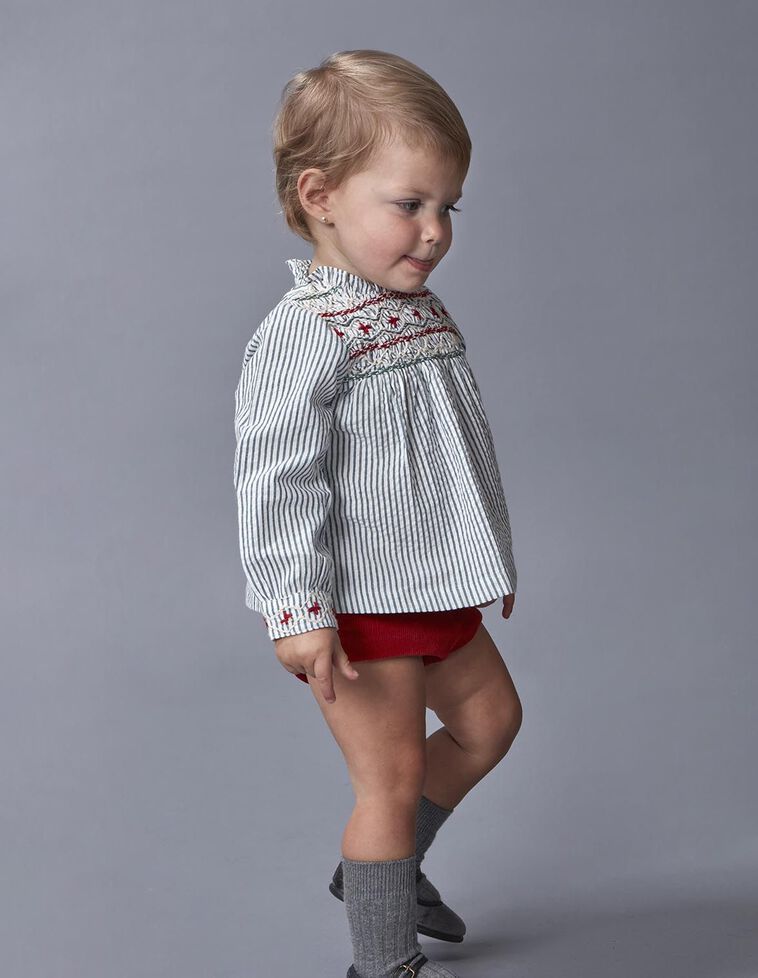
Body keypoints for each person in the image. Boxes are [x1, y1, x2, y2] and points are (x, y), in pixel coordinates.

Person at [233, 49, 523, 978]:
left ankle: (383, 876)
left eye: (449, 207)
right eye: (410, 204)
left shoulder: (418, 309)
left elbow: (451, 450)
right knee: (388, 784)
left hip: (437, 580)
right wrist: (296, 610)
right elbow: (276, 480)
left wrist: (489, 554)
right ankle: (384, 959)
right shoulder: (306, 330)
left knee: (492, 723)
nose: (434, 232)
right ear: (320, 195)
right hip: (363, 606)